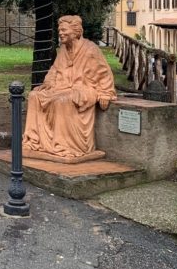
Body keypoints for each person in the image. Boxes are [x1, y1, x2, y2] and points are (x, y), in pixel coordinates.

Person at [23, 14, 116, 162]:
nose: (60, 33)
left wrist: (105, 93)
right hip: (62, 87)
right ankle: (34, 142)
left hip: (84, 90)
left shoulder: (90, 49)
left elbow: (104, 74)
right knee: (34, 96)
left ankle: (64, 145)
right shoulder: (63, 50)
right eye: (59, 30)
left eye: (64, 30)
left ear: (75, 32)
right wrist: (48, 84)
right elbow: (54, 70)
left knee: (62, 101)